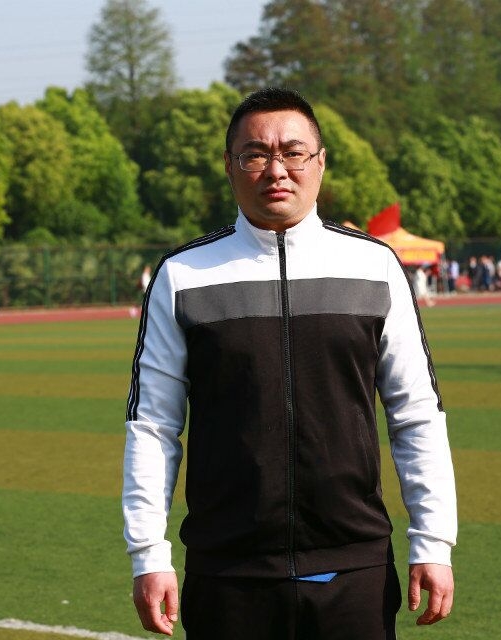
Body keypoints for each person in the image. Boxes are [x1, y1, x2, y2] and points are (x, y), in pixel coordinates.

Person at [123, 88, 457, 639]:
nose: (276, 170)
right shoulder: (182, 276)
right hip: (228, 572)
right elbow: (153, 424)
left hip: (355, 569)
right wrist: (148, 553)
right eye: (255, 154)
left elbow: (416, 413)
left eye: (293, 152)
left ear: (320, 162)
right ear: (229, 166)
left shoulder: (375, 267)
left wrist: (434, 540)